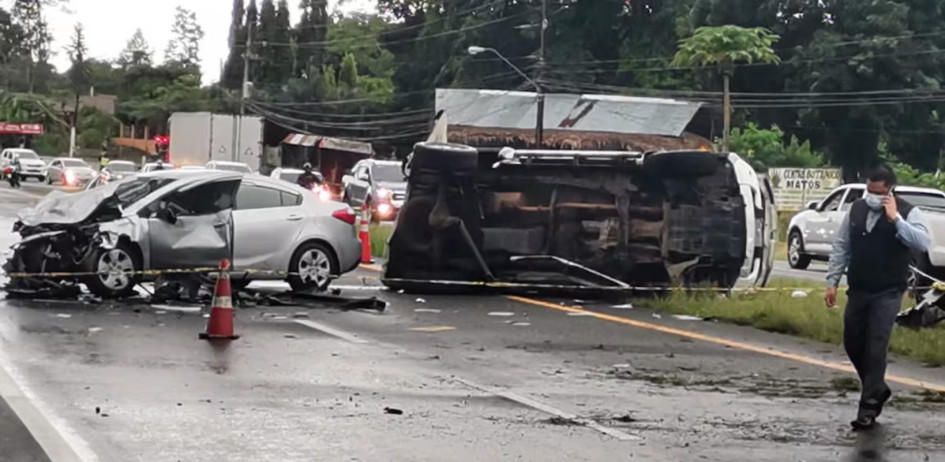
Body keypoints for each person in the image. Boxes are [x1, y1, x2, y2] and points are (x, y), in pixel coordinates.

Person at [825, 166, 931, 430]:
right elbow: (842, 245)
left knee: (876, 346)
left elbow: (921, 242)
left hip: (889, 291)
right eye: (869, 190)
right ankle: (877, 387)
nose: (872, 196)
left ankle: (868, 407)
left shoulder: (908, 212)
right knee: (853, 343)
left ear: (890, 190)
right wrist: (832, 281)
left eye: (878, 192)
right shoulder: (857, 209)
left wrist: (895, 219)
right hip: (859, 288)